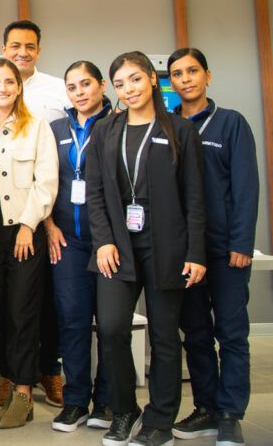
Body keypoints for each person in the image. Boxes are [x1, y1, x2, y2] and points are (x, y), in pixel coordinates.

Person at [88, 51, 207, 446]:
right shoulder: (105, 130)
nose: (129, 89)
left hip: (166, 247)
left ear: (153, 80)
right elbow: (96, 194)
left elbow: (194, 198)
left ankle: (159, 420)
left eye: (135, 79)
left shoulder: (179, 130)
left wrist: (196, 253)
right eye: (120, 84)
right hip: (118, 246)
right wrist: (103, 240)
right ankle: (124, 410)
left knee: (164, 335)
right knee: (111, 327)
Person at [0, 20, 67, 408]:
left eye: (10, 83)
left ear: (19, 86)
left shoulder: (37, 124)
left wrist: (30, 225)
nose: (3, 89)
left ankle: (25, 383)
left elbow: (47, 181)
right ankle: (8, 375)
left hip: (26, 223)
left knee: (26, 306)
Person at [167, 48, 258, 446]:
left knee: (231, 332)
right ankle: (205, 406)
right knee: (196, 332)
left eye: (192, 71)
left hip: (224, 249)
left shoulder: (230, 124)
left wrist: (241, 241)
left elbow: (246, 187)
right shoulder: (166, 125)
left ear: (208, 75)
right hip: (184, 250)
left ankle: (229, 413)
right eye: (177, 74)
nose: (185, 79)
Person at [43, 61, 114, 432]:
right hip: (67, 242)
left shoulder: (118, 124)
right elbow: (44, 182)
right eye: (72, 87)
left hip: (109, 243)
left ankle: (105, 401)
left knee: (109, 324)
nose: (80, 92)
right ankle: (75, 402)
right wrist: (50, 224)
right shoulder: (56, 129)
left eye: (86, 84)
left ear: (102, 85)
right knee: (71, 321)